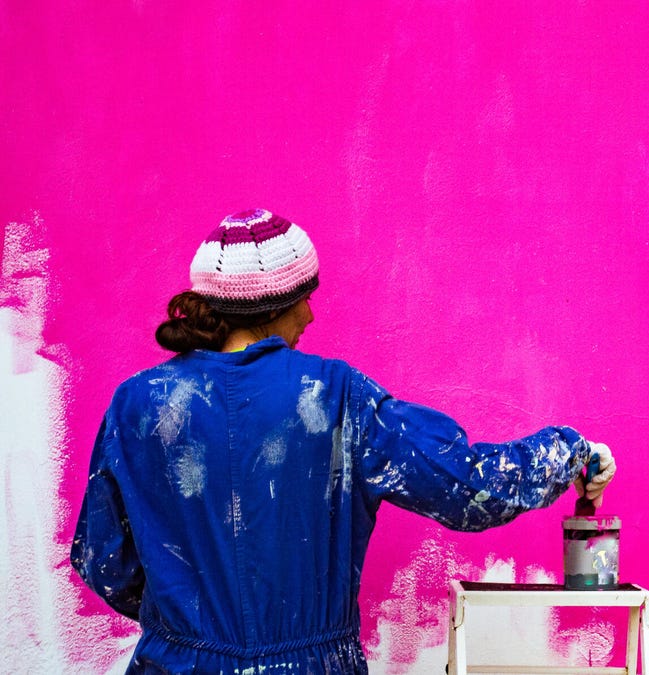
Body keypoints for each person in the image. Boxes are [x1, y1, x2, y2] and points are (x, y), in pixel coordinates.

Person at [70, 209, 616, 674]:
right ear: (275, 306)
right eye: (305, 297)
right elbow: (467, 486)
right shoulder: (335, 397)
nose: (310, 314)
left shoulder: (137, 403)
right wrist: (569, 452)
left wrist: (190, 622)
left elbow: (103, 563)